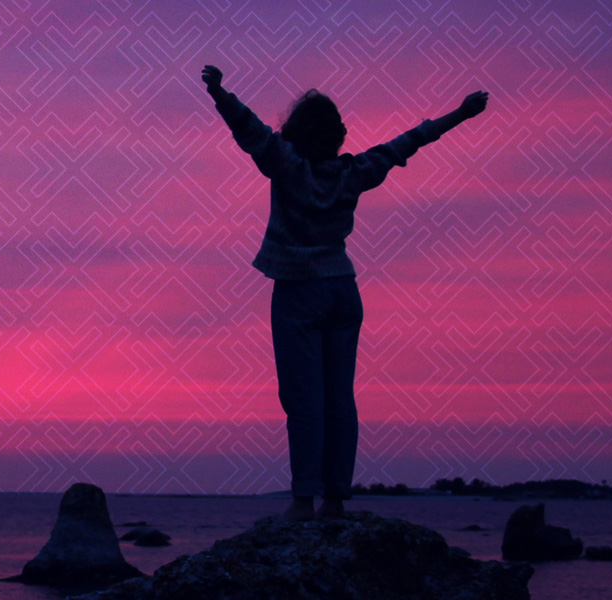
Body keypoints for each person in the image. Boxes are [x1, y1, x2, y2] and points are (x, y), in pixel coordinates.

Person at [201, 64, 487, 520]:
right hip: (342, 289)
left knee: (303, 398)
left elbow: (249, 129)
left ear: (294, 133)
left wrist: (219, 91)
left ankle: (303, 500)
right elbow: (408, 142)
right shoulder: (353, 172)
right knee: (339, 396)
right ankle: (335, 499)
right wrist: (461, 113)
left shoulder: (286, 164)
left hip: (298, 289)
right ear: (337, 135)